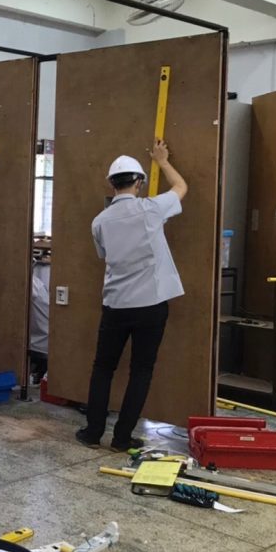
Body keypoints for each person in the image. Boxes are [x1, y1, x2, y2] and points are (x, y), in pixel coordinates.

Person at [76, 138, 187, 451]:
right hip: (151, 305)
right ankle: (122, 438)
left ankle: (93, 432)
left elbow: (104, 255)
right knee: (141, 370)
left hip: (116, 305)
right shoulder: (152, 209)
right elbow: (181, 187)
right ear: (139, 182)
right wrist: (162, 160)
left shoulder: (99, 222)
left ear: (111, 184)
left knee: (103, 368)